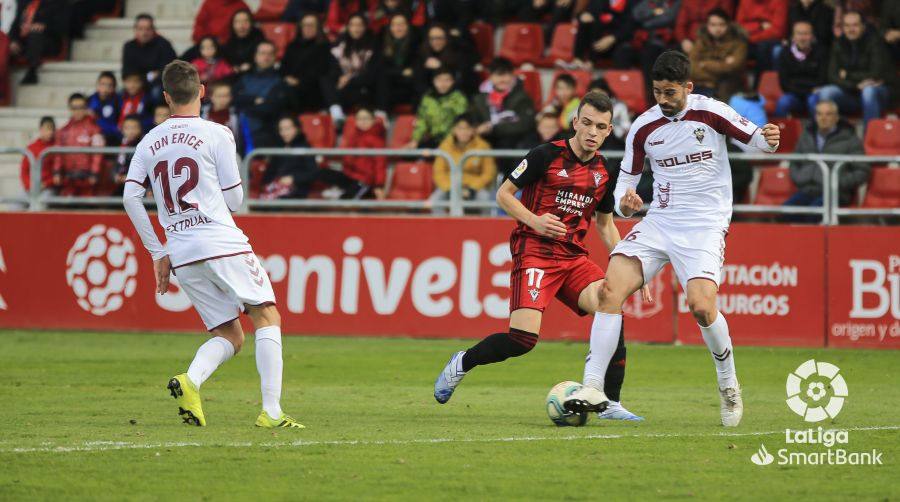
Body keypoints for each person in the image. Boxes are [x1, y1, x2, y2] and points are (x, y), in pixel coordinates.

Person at [561, 51, 781, 427]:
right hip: (660, 221)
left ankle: (728, 384)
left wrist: (771, 139)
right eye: (657, 92)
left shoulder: (711, 112)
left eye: (670, 93)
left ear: (688, 87)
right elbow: (624, 190)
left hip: (705, 224)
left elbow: (758, 141)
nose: (663, 100)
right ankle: (593, 387)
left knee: (701, 306)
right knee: (609, 290)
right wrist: (627, 205)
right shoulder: (643, 128)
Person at [433, 91, 647, 422]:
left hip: (573, 258)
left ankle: (610, 401)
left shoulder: (605, 171)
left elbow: (605, 225)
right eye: (587, 123)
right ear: (575, 122)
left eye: (600, 127)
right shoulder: (545, 155)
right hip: (534, 251)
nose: (592, 132)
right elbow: (504, 194)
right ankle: (463, 362)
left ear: (608, 131)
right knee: (523, 339)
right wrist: (534, 220)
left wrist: (629, 264)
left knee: (611, 302)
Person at [122, 60, 303, 430]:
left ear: (167, 97)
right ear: (202, 91)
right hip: (221, 242)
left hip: (182, 253)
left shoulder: (148, 141)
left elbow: (130, 198)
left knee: (229, 335)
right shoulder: (217, 133)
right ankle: (271, 412)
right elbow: (235, 201)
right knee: (266, 315)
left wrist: (158, 251)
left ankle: (191, 381)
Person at [786, 99, 868, 212]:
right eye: (819, 114)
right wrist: (800, 178)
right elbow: (794, 162)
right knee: (784, 213)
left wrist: (837, 182)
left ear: (836, 117)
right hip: (807, 190)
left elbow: (862, 171)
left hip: (836, 193)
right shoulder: (806, 135)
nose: (823, 118)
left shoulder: (850, 139)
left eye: (828, 114)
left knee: (813, 213)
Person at [817, 10, 893, 127]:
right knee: (826, 92)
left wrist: (847, 75)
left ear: (863, 26)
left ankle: (868, 139)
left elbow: (875, 74)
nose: (851, 29)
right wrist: (855, 85)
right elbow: (832, 76)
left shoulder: (875, 41)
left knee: (868, 91)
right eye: (847, 26)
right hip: (850, 92)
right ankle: (831, 140)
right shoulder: (838, 43)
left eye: (855, 25)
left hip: (878, 94)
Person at [262, 116, 364, 199]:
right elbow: (269, 173)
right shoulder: (277, 149)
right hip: (275, 188)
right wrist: (273, 182)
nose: (284, 133)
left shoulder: (304, 148)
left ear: (296, 129)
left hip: (297, 189)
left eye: (288, 128)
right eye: (281, 129)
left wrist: (293, 178)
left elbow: (312, 172)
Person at [470, 57, 536, 174]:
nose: (502, 79)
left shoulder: (523, 97)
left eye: (505, 75)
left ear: (512, 75)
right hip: (488, 144)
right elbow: (472, 121)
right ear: (490, 77)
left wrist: (493, 128)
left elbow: (525, 125)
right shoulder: (479, 99)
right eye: (498, 75)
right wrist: (477, 129)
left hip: (514, 147)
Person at [429, 114, 496, 213]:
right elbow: (438, 172)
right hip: (450, 186)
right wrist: (450, 189)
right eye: (460, 128)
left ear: (473, 130)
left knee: (484, 199)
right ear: (454, 130)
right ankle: (440, 228)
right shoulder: (445, 145)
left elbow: (489, 173)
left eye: (467, 128)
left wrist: (472, 189)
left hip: (474, 187)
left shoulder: (483, 146)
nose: (463, 132)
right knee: (435, 200)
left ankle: (483, 228)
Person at [233, 41, 287, 150]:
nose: (266, 57)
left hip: (265, 135)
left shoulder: (280, 81)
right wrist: (254, 100)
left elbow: (270, 108)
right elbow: (234, 99)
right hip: (238, 132)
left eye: (270, 54)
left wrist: (245, 103)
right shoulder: (244, 78)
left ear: (275, 57)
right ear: (255, 56)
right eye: (262, 53)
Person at [689, 8, 748, 100]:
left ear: (728, 25)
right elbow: (691, 67)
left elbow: (733, 68)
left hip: (724, 89)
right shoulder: (701, 41)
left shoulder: (738, 43)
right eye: (713, 25)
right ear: (707, 26)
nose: (717, 28)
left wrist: (704, 64)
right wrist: (721, 65)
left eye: (722, 24)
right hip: (699, 86)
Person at [280, 14, 334, 113]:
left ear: (318, 28)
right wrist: (287, 78)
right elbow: (283, 67)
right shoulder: (292, 46)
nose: (307, 28)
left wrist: (299, 81)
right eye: (305, 25)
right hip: (290, 85)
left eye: (311, 25)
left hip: (313, 88)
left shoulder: (325, 47)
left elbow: (322, 71)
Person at [53, 93, 105, 196]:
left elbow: (97, 154)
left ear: (86, 108)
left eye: (81, 107)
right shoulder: (63, 131)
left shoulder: (95, 129)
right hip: (68, 179)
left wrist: (94, 173)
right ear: (70, 109)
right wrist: (57, 172)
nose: (78, 111)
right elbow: (57, 155)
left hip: (88, 180)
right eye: (74, 108)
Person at [328, 13, 377, 121]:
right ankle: (336, 111)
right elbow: (333, 70)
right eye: (352, 25)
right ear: (348, 27)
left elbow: (372, 74)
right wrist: (340, 78)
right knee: (325, 78)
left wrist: (349, 79)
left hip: (363, 88)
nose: (356, 28)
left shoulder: (373, 46)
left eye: (359, 25)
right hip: (344, 89)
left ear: (365, 27)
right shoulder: (340, 46)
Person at [774, 20, 827, 117]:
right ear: (793, 37)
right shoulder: (785, 53)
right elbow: (784, 84)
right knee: (783, 102)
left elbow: (822, 80)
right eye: (799, 34)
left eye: (806, 34)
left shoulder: (821, 52)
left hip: (812, 95)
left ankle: (814, 131)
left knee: (814, 102)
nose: (802, 38)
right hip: (794, 95)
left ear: (812, 36)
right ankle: (778, 131)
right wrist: (808, 88)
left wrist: (799, 85)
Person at [407, 67, 468, 149]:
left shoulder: (459, 98)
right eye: (439, 80)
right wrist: (415, 140)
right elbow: (422, 121)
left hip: (454, 141)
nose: (443, 84)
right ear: (433, 81)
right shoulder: (427, 98)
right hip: (433, 140)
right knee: (410, 154)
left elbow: (462, 122)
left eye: (447, 80)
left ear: (453, 81)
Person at [9, 0, 67, 84]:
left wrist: (44, 27)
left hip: (47, 41)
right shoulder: (24, 2)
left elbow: (62, 27)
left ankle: (32, 71)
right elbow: (14, 26)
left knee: (35, 35)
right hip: (24, 42)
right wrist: (13, 41)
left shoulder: (58, 3)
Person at [121, 14, 177, 100]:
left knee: (156, 92)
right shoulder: (129, 46)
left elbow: (168, 71)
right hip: (136, 85)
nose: (144, 33)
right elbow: (127, 72)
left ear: (153, 30)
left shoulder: (164, 44)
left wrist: (144, 77)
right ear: (135, 30)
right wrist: (149, 76)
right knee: (120, 94)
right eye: (140, 29)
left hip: (158, 85)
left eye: (147, 29)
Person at [374, 14, 419, 117]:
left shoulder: (416, 43)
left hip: (408, 86)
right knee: (382, 78)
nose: (398, 28)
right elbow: (381, 68)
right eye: (394, 25)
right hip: (390, 87)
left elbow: (416, 68)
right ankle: (381, 114)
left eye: (401, 25)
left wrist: (398, 72)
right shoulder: (382, 43)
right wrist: (401, 72)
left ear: (408, 26)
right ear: (390, 27)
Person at [571, 0, 636, 70]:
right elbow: (589, 12)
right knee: (586, 21)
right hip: (596, 39)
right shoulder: (599, 2)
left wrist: (613, 38)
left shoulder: (631, 2)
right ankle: (578, 60)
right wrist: (585, 15)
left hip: (617, 42)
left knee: (623, 51)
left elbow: (629, 27)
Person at [338, 108, 387, 199]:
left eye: (366, 118)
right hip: (350, 176)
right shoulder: (353, 137)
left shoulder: (377, 140)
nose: (362, 122)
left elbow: (380, 165)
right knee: (321, 173)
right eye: (359, 119)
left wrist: (379, 186)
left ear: (373, 120)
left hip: (365, 180)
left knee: (345, 201)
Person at [222, 9, 264, 76]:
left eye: (246, 21)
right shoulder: (229, 42)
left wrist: (251, 65)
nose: (241, 26)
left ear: (251, 23)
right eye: (237, 22)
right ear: (232, 25)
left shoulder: (259, 39)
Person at [20, 116, 56, 195]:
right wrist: (30, 186)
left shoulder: (57, 148)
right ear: (41, 129)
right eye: (47, 129)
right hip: (32, 187)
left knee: (40, 205)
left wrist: (46, 184)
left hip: (48, 188)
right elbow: (24, 171)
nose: (50, 132)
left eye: (52, 129)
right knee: (14, 206)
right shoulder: (31, 148)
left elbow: (58, 176)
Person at [201, 81, 241, 151]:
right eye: (219, 96)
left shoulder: (237, 115)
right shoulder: (202, 114)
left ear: (231, 97)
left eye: (226, 96)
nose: (222, 99)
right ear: (211, 97)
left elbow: (242, 140)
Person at [88, 71, 122, 146]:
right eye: (103, 84)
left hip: (111, 138)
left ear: (114, 87)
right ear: (97, 85)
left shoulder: (118, 102)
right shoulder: (89, 100)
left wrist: (96, 119)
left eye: (109, 85)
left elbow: (118, 128)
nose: (106, 88)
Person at [111, 114, 143, 195]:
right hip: (121, 184)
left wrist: (129, 178)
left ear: (140, 129)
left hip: (139, 186)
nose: (131, 131)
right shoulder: (120, 144)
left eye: (134, 128)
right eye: (127, 128)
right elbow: (115, 166)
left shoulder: (144, 145)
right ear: (122, 130)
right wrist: (116, 176)